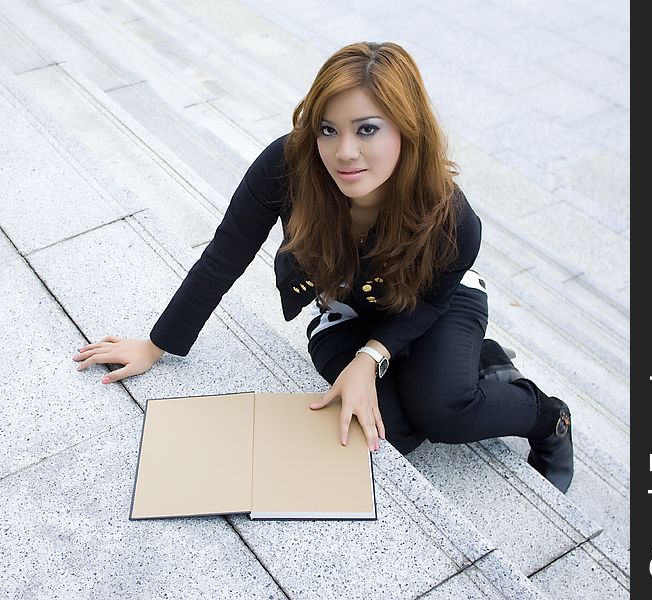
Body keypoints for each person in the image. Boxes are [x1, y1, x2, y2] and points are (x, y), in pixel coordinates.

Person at [72, 42, 574, 493]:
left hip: (431, 302)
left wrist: (369, 359)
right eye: (328, 130)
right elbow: (226, 253)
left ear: (407, 129)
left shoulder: (452, 218)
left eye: (368, 129)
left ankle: (547, 417)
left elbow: (433, 300)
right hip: (348, 311)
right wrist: (157, 344)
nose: (344, 152)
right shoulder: (287, 165)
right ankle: (474, 363)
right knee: (390, 431)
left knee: (442, 411)